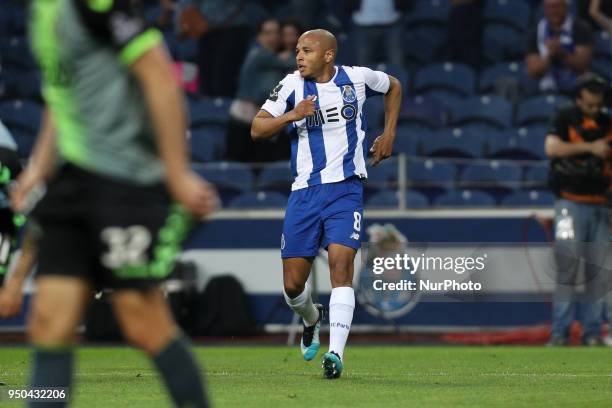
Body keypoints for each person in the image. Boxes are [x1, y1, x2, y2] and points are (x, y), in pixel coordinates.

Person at [15, 0, 218, 406]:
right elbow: (64, 95)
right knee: (48, 323)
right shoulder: (41, 9)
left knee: (144, 324)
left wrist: (176, 172)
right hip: (72, 181)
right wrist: (39, 167)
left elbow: (160, 77)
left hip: (123, 182)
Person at [251, 29, 402, 378]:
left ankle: (336, 354)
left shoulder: (357, 78)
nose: (298, 56)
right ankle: (311, 318)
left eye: (306, 51)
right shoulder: (290, 85)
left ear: (328, 55)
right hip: (304, 193)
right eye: (298, 51)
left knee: (341, 268)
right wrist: (292, 116)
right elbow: (257, 129)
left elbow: (394, 86)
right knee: (292, 286)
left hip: (345, 191)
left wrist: (390, 132)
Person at [545, 73, 612, 346]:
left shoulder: (608, 123)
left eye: (597, 105)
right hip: (568, 203)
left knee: (599, 271)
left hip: (602, 204)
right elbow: (551, 148)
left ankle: (593, 332)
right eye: (588, 105)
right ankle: (560, 333)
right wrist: (590, 148)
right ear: (578, 100)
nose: (593, 110)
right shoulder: (563, 118)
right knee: (568, 267)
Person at [226, 17, 295, 162]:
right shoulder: (258, 54)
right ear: (259, 37)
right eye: (267, 33)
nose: (273, 37)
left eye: (276, 33)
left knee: (263, 164)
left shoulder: (274, 60)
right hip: (243, 120)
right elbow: (293, 62)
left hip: (263, 122)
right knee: (239, 166)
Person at [526, 0, 594, 94]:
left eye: (557, 6)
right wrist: (550, 54)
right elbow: (533, 72)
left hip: (576, 89)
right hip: (545, 89)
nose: (554, 11)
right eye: (550, 7)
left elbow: (582, 66)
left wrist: (561, 53)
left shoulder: (580, 28)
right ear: (544, 9)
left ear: (565, 6)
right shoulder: (536, 31)